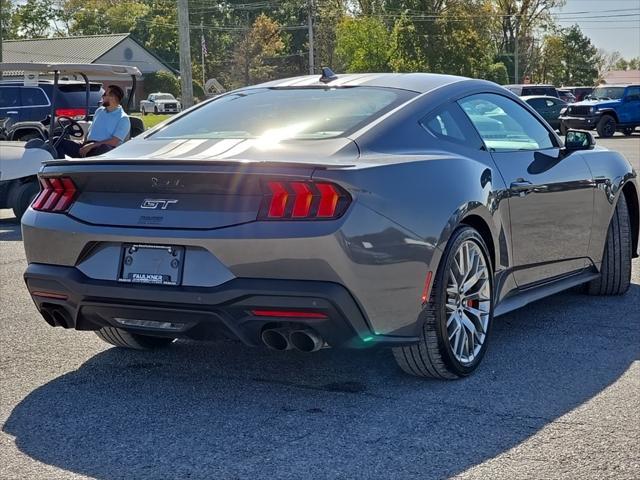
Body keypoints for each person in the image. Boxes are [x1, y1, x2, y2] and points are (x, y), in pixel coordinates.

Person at [56, 84, 131, 158]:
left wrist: (92, 145)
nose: (102, 96)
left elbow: (114, 142)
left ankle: (88, 165)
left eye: (105, 94)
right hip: (88, 146)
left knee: (104, 148)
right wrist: (84, 143)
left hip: (103, 151)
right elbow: (90, 130)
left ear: (112, 98)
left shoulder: (123, 118)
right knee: (57, 141)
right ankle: (60, 168)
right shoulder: (99, 111)